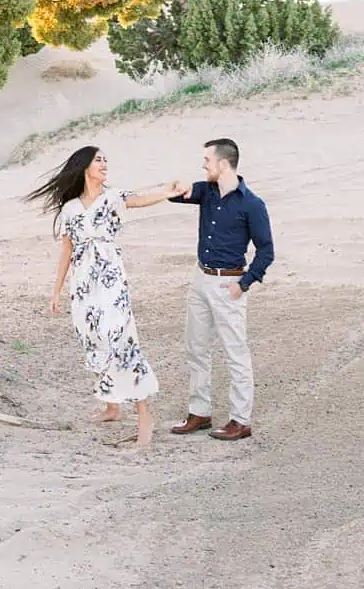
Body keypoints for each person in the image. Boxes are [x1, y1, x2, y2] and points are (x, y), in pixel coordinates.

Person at [28, 145, 180, 446]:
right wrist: (56, 291)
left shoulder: (113, 197)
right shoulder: (70, 208)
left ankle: (144, 418)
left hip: (111, 278)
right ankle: (112, 407)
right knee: (94, 337)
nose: (104, 163)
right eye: (98, 160)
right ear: (85, 166)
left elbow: (139, 200)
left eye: (105, 159)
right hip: (83, 284)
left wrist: (167, 191)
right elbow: (67, 251)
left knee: (120, 338)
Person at [167, 138, 274, 442]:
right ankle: (199, 412)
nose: (204, 165)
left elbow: (266, 251)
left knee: (235, 353)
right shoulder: (206, 191)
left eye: (207, 161)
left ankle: (241, 420)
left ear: (223, 164)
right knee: (195, 347)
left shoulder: (252, 204)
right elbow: (179, 196)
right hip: (200, 279)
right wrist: (179, 186)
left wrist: (244, 284)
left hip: (229, 284)